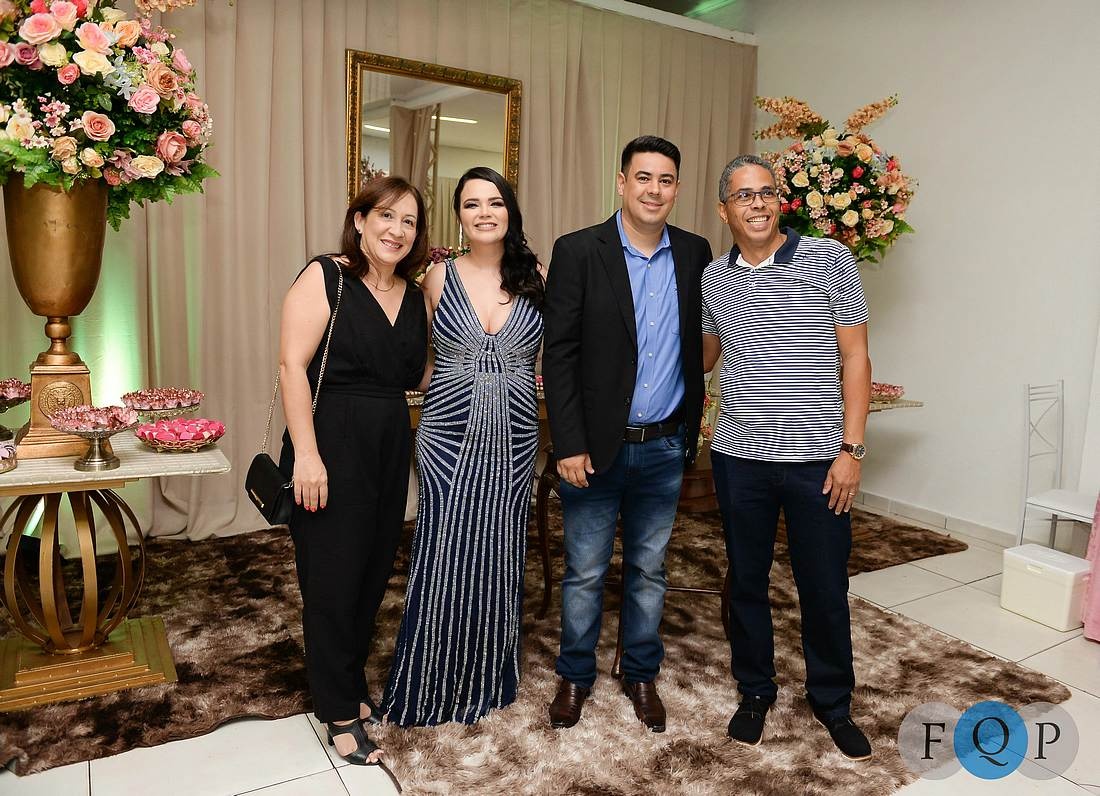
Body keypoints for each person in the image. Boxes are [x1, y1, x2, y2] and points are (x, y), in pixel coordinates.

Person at [701, 154, 873, 760]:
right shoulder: (713, 278)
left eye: (766, 192)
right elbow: (701, 356)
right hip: (738, 458)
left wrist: (852, 450)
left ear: (779, 201)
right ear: (723, 210)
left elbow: (856, 358)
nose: (757, 203)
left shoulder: (830, 258)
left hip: (818, 462)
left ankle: (833, 701)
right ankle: (755, 691)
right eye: (743, 195)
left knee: (823, 584)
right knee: (746, 581)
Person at [542, 136, 712, 733]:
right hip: (593, 449)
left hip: (663, 445)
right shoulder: (578, 250)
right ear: (621, 182)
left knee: (649, 570)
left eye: (665, 180)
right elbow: (559, 354)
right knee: (586, 571)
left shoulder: (694, 252)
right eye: (643, 177)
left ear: (677, 189)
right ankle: (574, 675)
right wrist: (568, 443)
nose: (653, 190)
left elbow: (703, 341)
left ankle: (640, 673)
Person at [383, 166, 544, 725]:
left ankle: (487, 676)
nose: (484, 213)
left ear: (510, 212)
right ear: (458, 216)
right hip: (447, 433)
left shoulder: (538, 277)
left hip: (515, 437)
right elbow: (421, 358)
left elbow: (559, 357)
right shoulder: (436, 278)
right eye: (472, 204)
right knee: (444, 548)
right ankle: (430, 675)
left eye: (494, 203)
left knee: (499, 551)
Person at [278, 177, 428, 764]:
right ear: (360, 220)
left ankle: (348, 682)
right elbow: (292, 367)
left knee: (369, 576)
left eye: (409, 221)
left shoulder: (413, 295)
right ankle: (337, 707)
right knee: (332, 580)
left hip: (388, 444)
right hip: (330, 443)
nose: (397, 230)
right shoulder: (326, 276)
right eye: (386, 216)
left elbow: (418, 375)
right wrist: (307, 454)